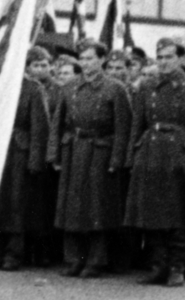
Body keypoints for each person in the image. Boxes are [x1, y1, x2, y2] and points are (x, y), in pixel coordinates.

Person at [123, 38, 185, 287]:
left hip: (179, 156)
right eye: (160, 57)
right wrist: (132, 156)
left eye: (169, 57)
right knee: (152, 214)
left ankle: (177, 267)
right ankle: (158, 266)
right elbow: (136, 125)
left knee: (180, 215)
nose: (163, 62)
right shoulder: (146, 85)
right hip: (150, 154)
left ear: (181, 59)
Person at [50, 40, 131, 277]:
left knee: (97, 207)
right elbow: (58, 124)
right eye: (83, 59)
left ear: (102, 60)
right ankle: (74, 259)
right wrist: (54, 154)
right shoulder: (70, 87)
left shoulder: (115, 89)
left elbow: (123, 128)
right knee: (72, 206)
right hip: (73, 151)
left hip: (100, 152)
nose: (86, 64)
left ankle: (95, 260)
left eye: (91, 59)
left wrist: (117, 159)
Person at [0, 46, 52, 271]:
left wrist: (35, 160)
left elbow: (40, 127)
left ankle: (14, 253)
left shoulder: (33, 88)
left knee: (16, 202)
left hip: (19, 151)